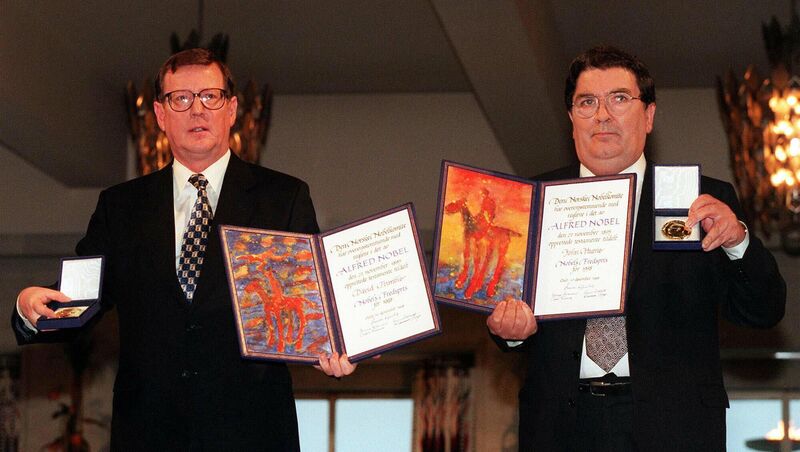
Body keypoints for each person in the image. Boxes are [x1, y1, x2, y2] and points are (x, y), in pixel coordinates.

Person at [12, 48, 355, 451]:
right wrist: (29, 306)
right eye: (181, 99)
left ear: (231, 109)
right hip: (148, 434)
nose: (197, 111)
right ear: (160, 115)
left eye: (210, 96)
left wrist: (337, 346)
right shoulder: (121, 207)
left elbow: (312, 305)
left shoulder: (283, 198)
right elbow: (78, 302)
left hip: (253, 433)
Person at [487, 46, 786, 451]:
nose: (603, 114)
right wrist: (512, 333)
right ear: (571, 119)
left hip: (674, 425)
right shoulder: (531, 201)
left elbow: (763, 311)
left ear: (648, 116)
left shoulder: (703, 200)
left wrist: (738, 243)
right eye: (587, 102)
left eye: (620, 99)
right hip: (559, 426)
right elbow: (506, 311)